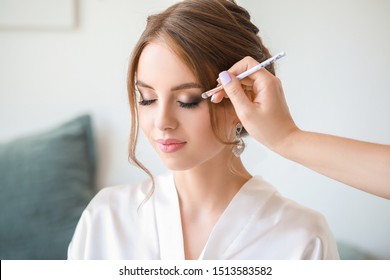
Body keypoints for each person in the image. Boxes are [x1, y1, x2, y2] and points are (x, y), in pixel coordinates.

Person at [68, 0, 339, 259]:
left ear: (240, 97)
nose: (162, 121)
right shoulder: (105, 218)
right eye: (147, 98)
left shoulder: (301, 237)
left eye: (189, 101)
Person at [210, 57, 390, 200]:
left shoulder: (304, 235)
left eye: (188, 102)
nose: (179, 121)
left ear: (236, 103)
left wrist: (286, 138)